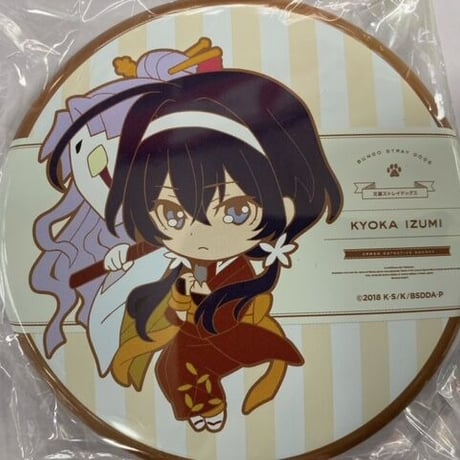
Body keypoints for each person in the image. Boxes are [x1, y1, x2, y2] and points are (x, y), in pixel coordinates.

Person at [32, 46, 343, 432]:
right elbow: (154, 265)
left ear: (289, 204)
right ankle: (204, 405)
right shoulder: (170, 256)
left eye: (236, 211)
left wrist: (194, 297)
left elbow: (217, 309)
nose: (201, 234)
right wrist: (124, 260)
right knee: (170, 361)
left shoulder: (239, 270)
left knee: (178, 363)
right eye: (172, 214)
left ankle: (207, 406)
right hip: (193, 327)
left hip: (223, 329)